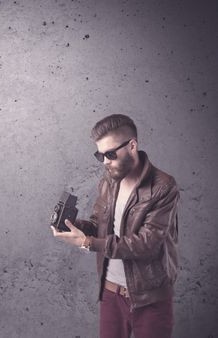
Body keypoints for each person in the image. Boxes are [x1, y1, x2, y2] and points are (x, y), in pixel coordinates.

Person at [51, 114, 179, 338]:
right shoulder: (109, 180)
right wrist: (72, 226)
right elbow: (98, 224)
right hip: (110, 294)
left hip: (150, 298)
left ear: (132, 145)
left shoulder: (163, 187)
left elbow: (146, 244)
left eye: (110, 154)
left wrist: (88, 243)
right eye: (99, 155)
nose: (105, 162)